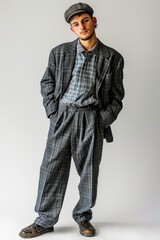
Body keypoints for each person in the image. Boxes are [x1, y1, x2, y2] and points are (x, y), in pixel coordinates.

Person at [19, 2, 125, 238]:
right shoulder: (59, 52)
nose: (82, 26)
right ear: (72, 30)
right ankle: (45, 220)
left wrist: (101, 120)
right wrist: (52, 111)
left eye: (85, 20)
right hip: (63, 116)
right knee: (51, 167)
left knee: (88, 171)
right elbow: (47, 82)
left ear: (94, 21)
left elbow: (117, 95)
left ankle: (83, 218)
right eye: (76, 24)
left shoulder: (112, 57)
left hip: (92, 118)